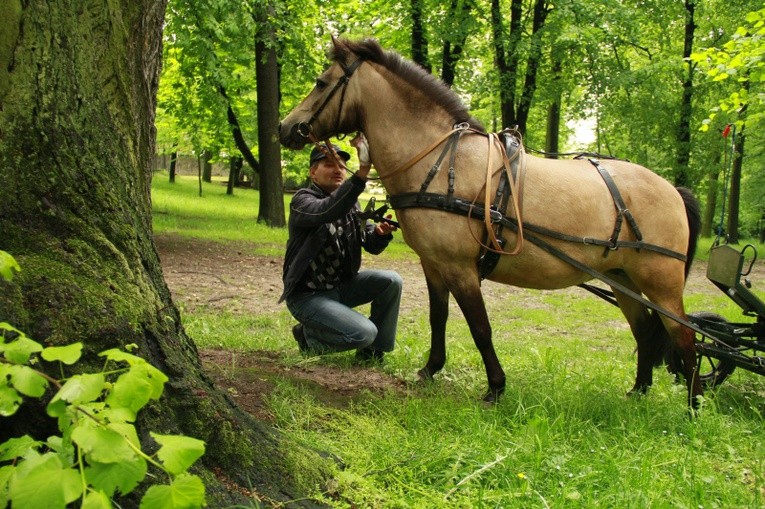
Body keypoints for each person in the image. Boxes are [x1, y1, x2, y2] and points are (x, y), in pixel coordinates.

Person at [279, 134, 402, 362]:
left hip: (340, 289)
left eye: (341, 166)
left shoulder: (351, 203)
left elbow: (370, 243)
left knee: (391, 281)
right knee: (363, 332)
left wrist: (378, 234)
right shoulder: (302, 201)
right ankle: (308, 336)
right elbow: (327, 210)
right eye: (329, 164)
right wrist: (363, 171)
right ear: (312, 172)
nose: (337, 170)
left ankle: (373, 352)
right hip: (308, 296)